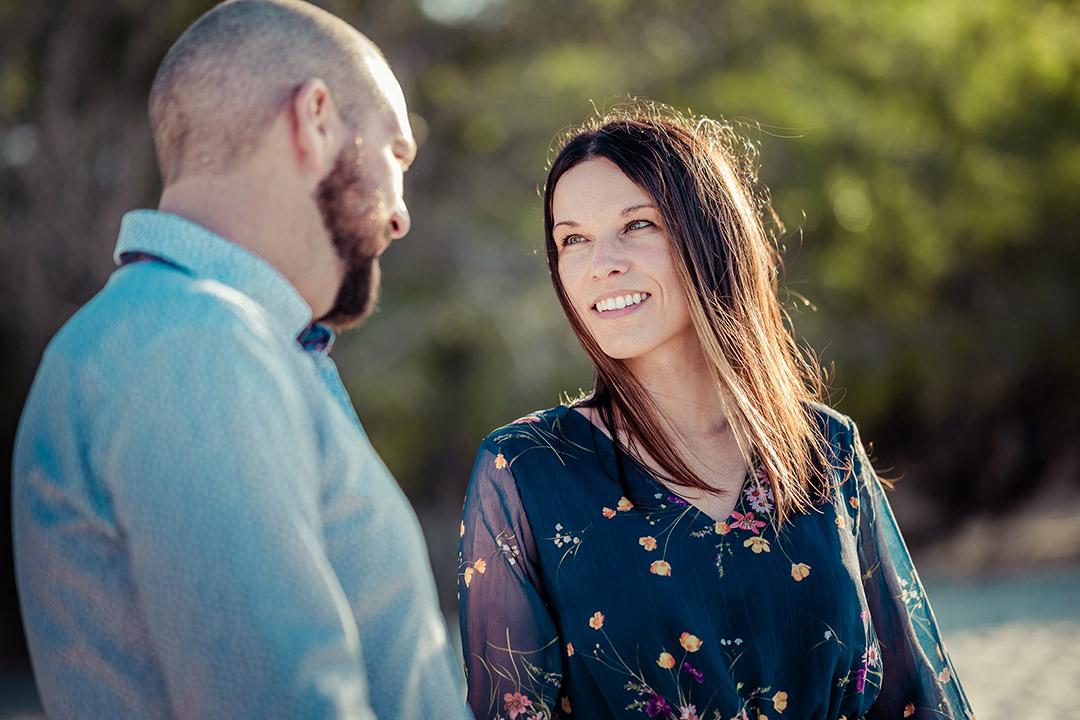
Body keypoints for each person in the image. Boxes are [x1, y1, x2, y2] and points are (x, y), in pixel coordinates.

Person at [12, 2, 473, 718]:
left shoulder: (182, 336)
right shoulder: (195, 343)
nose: (401, 213)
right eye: (395, 154)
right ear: (315, 120)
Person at [458, 104, 973, 720]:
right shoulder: (526, 472)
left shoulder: (822, 447)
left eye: (637, 224)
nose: (602, 264)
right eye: (572, 239)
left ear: (710, 237)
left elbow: (913, 698)